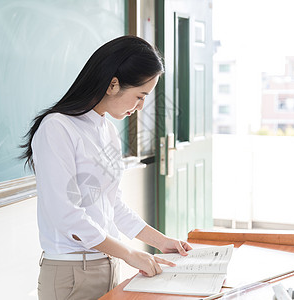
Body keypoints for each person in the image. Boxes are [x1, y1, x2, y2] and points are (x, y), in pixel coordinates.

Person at [21, 35, 192, 300]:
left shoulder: (107, 129)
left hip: (109, 265)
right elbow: (67, 217)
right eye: (139, 96)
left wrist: (161, 242)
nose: (141, 106)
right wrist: (130, 253)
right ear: (113, 84)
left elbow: (113, 205)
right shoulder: (57, 127)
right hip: (71, 273)